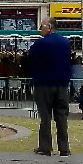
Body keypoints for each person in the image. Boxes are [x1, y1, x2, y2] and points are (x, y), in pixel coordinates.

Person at [28, 17, 72, 156]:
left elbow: (31, 61)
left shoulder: (40, 44)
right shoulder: (65, 42)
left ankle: (45, 146)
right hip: (62, 84)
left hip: (44, 84)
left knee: (45, 116)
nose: (40, 30)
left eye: (41, 27)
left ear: (49, 27)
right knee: (61, 116)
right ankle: (64, 147)